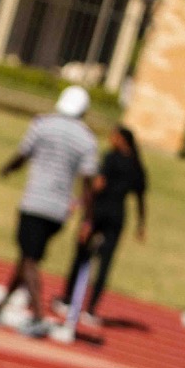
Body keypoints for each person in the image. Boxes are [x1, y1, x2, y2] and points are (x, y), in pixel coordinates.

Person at [0, 84, 99, 339]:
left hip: (35, 202)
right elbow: (88, 182)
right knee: (27, 257)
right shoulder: (87, 139)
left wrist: (7, 169)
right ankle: (0, 308)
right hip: (59, 210)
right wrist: (88, 217)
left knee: (30, 259)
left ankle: (37, 316)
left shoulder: (43, 124)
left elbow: (23, 154)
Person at [54, 123, 148, 338]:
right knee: (105, 262)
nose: (110, 138)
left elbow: (98, 184)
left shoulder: (111, 158)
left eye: (113, 135)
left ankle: (67, 299)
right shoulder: (137, 166)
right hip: (117, 216)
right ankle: (91, 309)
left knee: (81, 254)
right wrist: (141, 225)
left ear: (121, 139)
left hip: (99, 212)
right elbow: (141, 198)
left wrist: (80, 202)